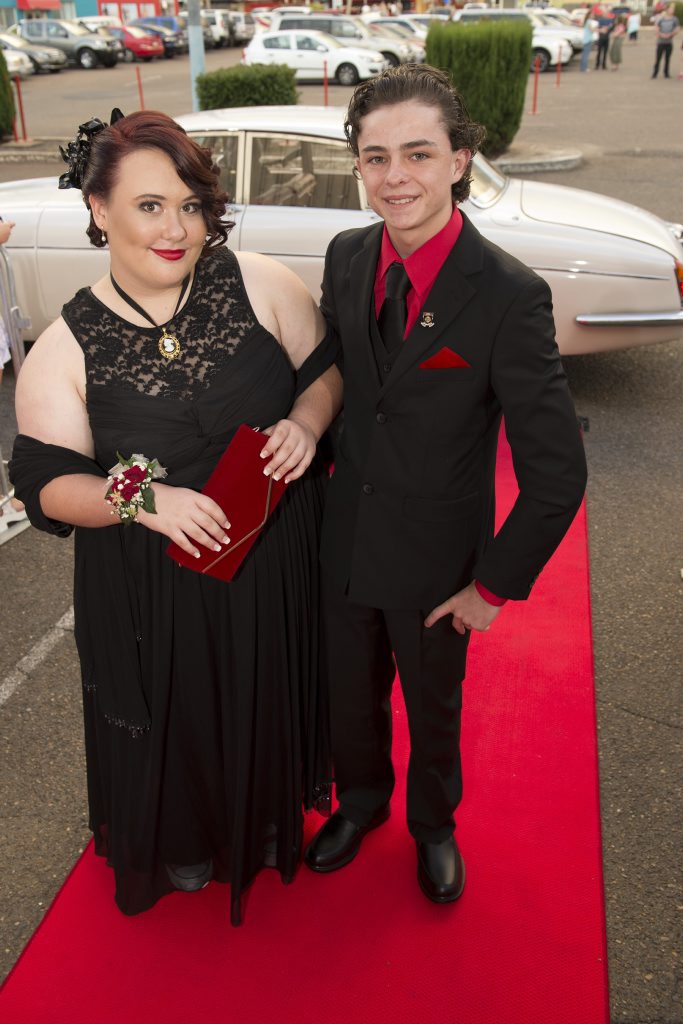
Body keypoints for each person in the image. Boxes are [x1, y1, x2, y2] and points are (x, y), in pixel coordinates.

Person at [10, 109, 342, 926]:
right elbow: (45, 485)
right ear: (98, 209)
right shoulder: (66, 345)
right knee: (183, 722)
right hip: (154, 595)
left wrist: (305, 421)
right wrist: (142, 500)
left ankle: (264, 825)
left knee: (265, 696)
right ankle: (190, 839)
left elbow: (325, 369)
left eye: (190, 205)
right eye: (151, 205)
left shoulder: (260, 281)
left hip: (277, 564)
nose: (177, 228)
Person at [304, 65, 587, 905]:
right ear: (357, 166)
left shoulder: (507, 294)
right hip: (345, 538)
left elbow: (555, 474)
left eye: (418, 154)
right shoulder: (347, 255)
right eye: (375, 157)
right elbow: (346, 383)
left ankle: (433, 826)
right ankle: (359, 805)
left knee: (432, 712)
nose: (396, 177)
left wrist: (492, 586)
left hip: (437, 565)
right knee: (349, 702)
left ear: (460, 160)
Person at [652, 2, 679, 77]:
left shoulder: (675, 19)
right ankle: (655, 72)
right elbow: (656, 28)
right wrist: (661, 35)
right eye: (670, 9)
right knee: (658, 58)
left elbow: (677, 29)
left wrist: (671, 34)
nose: (672, 11)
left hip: (669, 42)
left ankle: (666, 73)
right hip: (661, 42)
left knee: (667, 58)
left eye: (673, 9)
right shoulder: (661, 19)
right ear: (667, 10)